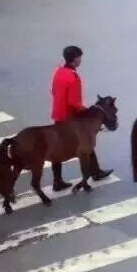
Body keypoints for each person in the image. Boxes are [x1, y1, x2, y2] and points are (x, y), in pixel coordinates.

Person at [50, 46, 113, 191]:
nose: (81, 60)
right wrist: (86, 110)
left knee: (56, 147)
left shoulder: (58, 71)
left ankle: (57, 180)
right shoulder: (73, 77)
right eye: (80, 57)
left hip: (58, 114)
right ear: (75, 59)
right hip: (70, 117)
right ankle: (94, 172)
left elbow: (53, 91)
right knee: (87, 141)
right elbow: (74, 102)